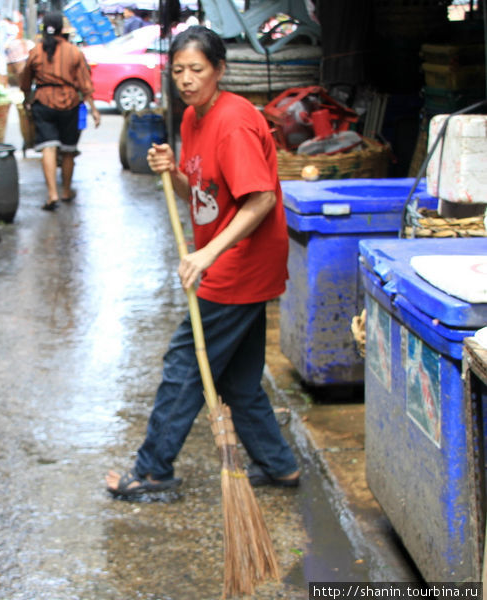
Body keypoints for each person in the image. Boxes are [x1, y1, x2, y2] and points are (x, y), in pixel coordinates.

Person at [105, 26, 299, 497]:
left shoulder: (233, 122)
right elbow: (203, 197)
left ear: (219, 70)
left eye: (197, 69)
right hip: (226, 260)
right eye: (178, 71)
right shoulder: (194, 118)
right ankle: (279, 466)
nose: (186, 79)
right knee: (238, 379)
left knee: (184, 363)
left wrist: (209, 252)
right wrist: (172, 172)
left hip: (238, 264)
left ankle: (153, 469)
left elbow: (261, 202)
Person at [19, 11, 101, 211]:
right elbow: (85, 83)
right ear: (62, 29)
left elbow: (25, 79)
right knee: (68, 150)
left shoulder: (36, 52)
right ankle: (65, 191)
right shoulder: (74, 52)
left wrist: (26, 97)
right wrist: (94, 109)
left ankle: (52, 194)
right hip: (70, 103)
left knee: (48, 147)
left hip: (44, 102)